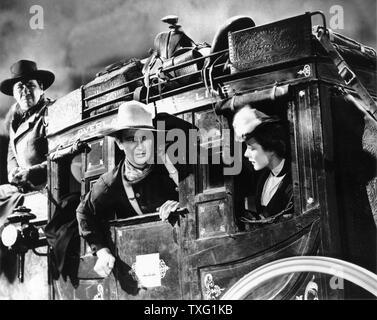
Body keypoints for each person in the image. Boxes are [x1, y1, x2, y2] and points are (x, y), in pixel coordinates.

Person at [76, 100, 182, 278]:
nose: (140, 147)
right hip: (140, 266)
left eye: (145, 138)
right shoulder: (111, 182)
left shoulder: (172, 167)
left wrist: (181, 203)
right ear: (119, 143)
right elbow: (84, 212)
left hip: (179, 254)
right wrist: (101, 251)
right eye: (131, 139)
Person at [0, 60, 55, 224]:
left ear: (41, 87)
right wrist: (13, 171)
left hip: (46, 188)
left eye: (30, 85)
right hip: (22, 187)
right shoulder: (15, 119)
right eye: (19, 87)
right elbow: (12, 150)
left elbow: (60, 156)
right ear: (14, 93)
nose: (25, 91)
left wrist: (31, 173)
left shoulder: (51, 113)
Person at [232, 105, 293, 220]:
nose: (246, 154)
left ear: (270, 148)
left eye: (252, 148)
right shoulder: (261, 177)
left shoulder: (294, 179)